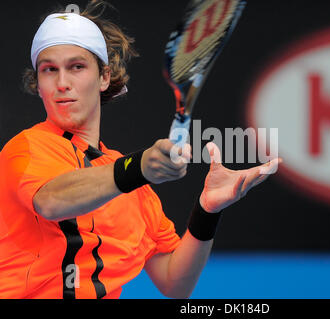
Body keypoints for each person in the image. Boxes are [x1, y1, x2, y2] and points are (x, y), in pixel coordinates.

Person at [0, 0, 280, 299]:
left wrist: (208, 210)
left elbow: (176, 283)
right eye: (49, 70)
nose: (62, 83)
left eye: (77, 67)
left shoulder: (136, 190)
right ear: (38, 83)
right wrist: (139, 168)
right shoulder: (26, 149)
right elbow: (52, 200)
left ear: (104, 77)